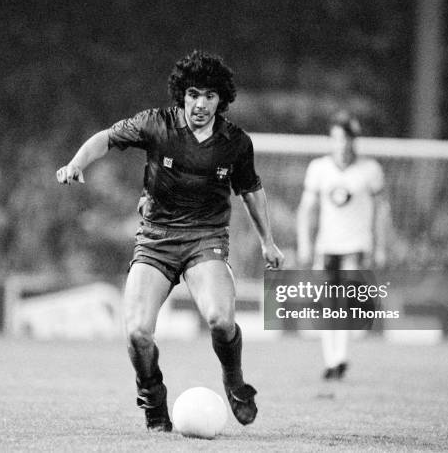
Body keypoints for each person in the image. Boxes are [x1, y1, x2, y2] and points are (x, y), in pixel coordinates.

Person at [57, 51, 284, 431]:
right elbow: (106, 138)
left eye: (209, 96)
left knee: (221, 321)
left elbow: (251, 190)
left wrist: (268, 242)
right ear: (182, 94)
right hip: (155, 240)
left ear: (220, 100)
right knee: (137, 332)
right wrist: (78, 162)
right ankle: (153, 400)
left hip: (205, 239)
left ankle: (234, 381)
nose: (200, 103)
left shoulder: (236, 142)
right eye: (193, 93)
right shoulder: (155, 124)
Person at [296, 111, 388, 380]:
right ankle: (331, 360)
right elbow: (306, 210)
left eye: (347, 138)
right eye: (337, 138)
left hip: (356, 244)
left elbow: (382, 210)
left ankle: (341, 357)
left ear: (354, 141)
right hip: (326, 246)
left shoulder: (370, 170)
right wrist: (305, 243)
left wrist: (380, 246)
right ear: (331, 140)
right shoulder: (318, 168)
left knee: (345, 299)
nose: (342, 144)